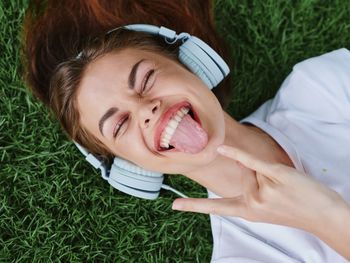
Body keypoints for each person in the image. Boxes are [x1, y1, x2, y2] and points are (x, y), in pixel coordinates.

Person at [22, 0, 350, 262]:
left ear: (193, 64)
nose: (145, 110)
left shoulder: (322, 87)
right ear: (130, 169)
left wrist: (328, 216)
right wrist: (321, 218)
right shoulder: (246, 255)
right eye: (120, 125)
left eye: (147, 79)